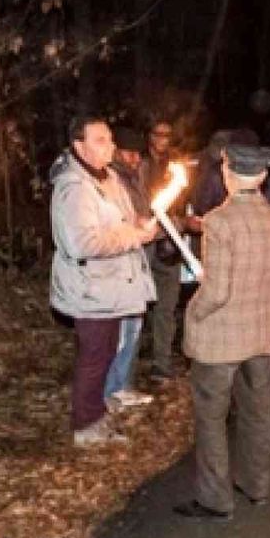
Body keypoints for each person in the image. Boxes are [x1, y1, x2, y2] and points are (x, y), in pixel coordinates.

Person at [174, 147, 270, 521]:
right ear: (261, 177)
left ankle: (215, 499)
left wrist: (193, 310)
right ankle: (256, 484)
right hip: (261, 330)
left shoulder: (219, 222)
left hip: (221, 337)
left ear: (228, 174)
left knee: (212, 416)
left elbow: (217, 292)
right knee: (258, 411)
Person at [49, 114, 159, 446]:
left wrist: (137, 221)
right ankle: (85, 426)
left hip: (110, 287)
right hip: (90, 288)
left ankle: (96, 413)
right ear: (79, 146)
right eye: (100, 140)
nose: (110, 145)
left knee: (106, 352)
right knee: (95, 356)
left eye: (110, 138)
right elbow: (82, 242)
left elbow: (120, 220)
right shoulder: (74, 187)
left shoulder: (108, 178)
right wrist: (135, 235)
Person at [104, 127, 156, 410]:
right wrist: (134, 226)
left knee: (134, 325)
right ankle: (107, 390)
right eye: (129, 152)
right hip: (118, 264)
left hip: (136, 260)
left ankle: (122, 385)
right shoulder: (110, 179)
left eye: (138, 153)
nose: (135, 158)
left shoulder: (135, 175)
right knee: (119, 330)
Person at [139, 119, 185, 379]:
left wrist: (180, 225)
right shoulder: (139, 164)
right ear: (150, 137)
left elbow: (184, 206)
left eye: (167, 135)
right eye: (157, 134)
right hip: (143, 242)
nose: (162, 139)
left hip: (169, 244)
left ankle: (162, 363)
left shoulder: (179, 167)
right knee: (137, 304)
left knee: (167, 306)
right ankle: (132, 360)